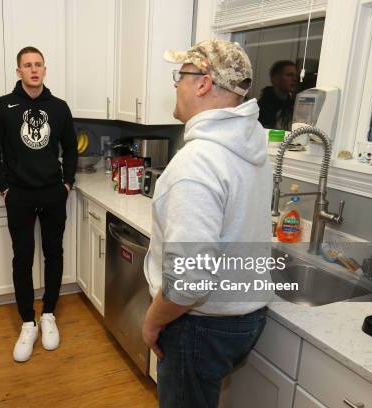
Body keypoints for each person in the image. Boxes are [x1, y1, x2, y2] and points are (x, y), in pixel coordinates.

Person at [142, 39, 272, 407]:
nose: (176, 84)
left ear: (202, 83)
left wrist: (152, 321)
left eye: (180, 75)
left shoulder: (197, 163)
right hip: (245, 316)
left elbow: (190, 280)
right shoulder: (254, 146)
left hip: (200, 325)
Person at [0, 46, 77, 363]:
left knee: (54, 253)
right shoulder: (2, 107)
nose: (34, 70)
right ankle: (28, 322)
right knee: (22, 258)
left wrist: (68, 183)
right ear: (18, 71)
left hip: (53, 192)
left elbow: (72, 150)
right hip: (19, 195)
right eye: (27, 65)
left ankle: (49, 314)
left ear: (45, 69)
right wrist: (4, 188)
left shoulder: (60, 108)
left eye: (38, 64)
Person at [258, 60, 298, 130]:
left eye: (295, 76)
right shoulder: (262, 107)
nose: (295, 79)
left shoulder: (293, 106)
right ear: (275, 78)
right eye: (289, 75)